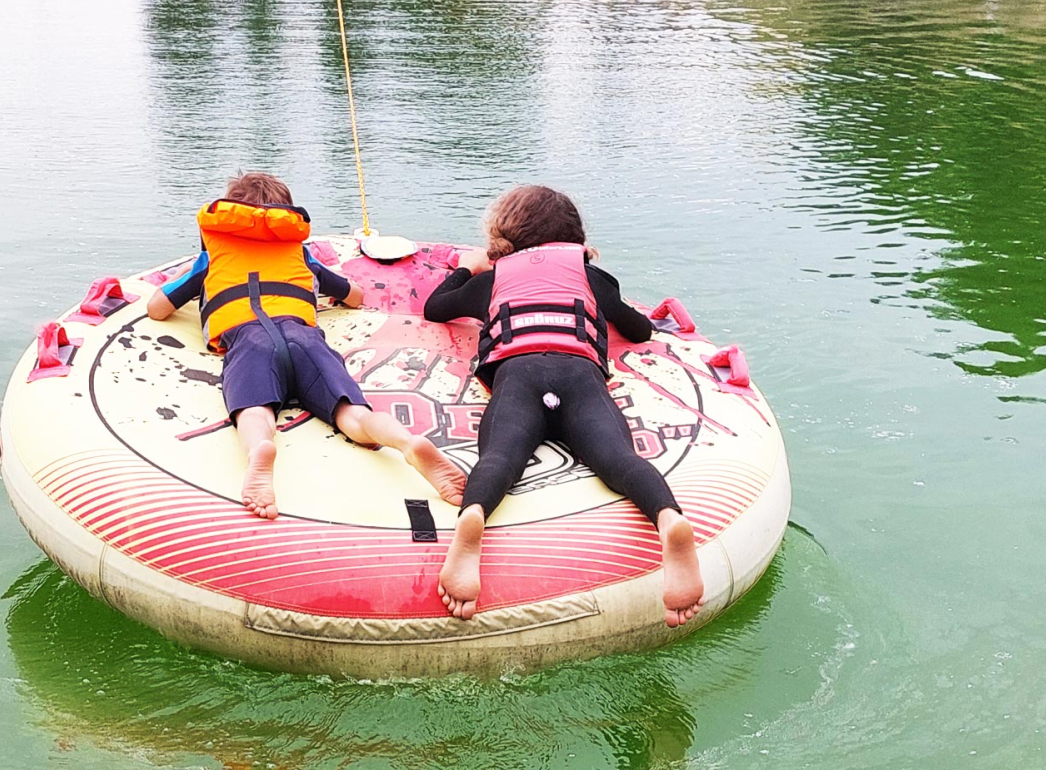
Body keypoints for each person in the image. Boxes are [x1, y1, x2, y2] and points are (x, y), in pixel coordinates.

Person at [422, 185, 703, 627]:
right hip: (578, 376)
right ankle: (669, 521)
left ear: (504, 241)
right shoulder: (593, 277)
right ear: (574, 239)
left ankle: (473, 518)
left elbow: (435, 309)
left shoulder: (492, 280)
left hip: (519, 375)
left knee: (499, 457)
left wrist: (464, 270)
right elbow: (641, 329)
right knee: (620, 460)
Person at [147, 172, 464, 519]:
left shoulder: (214, 258)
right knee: (354, 414)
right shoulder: (300, 253)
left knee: (255, 411)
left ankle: (260, 451)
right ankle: (406, 443)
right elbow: (354, 296)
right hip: (304, 337)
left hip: (249, 339)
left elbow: (157, 309)